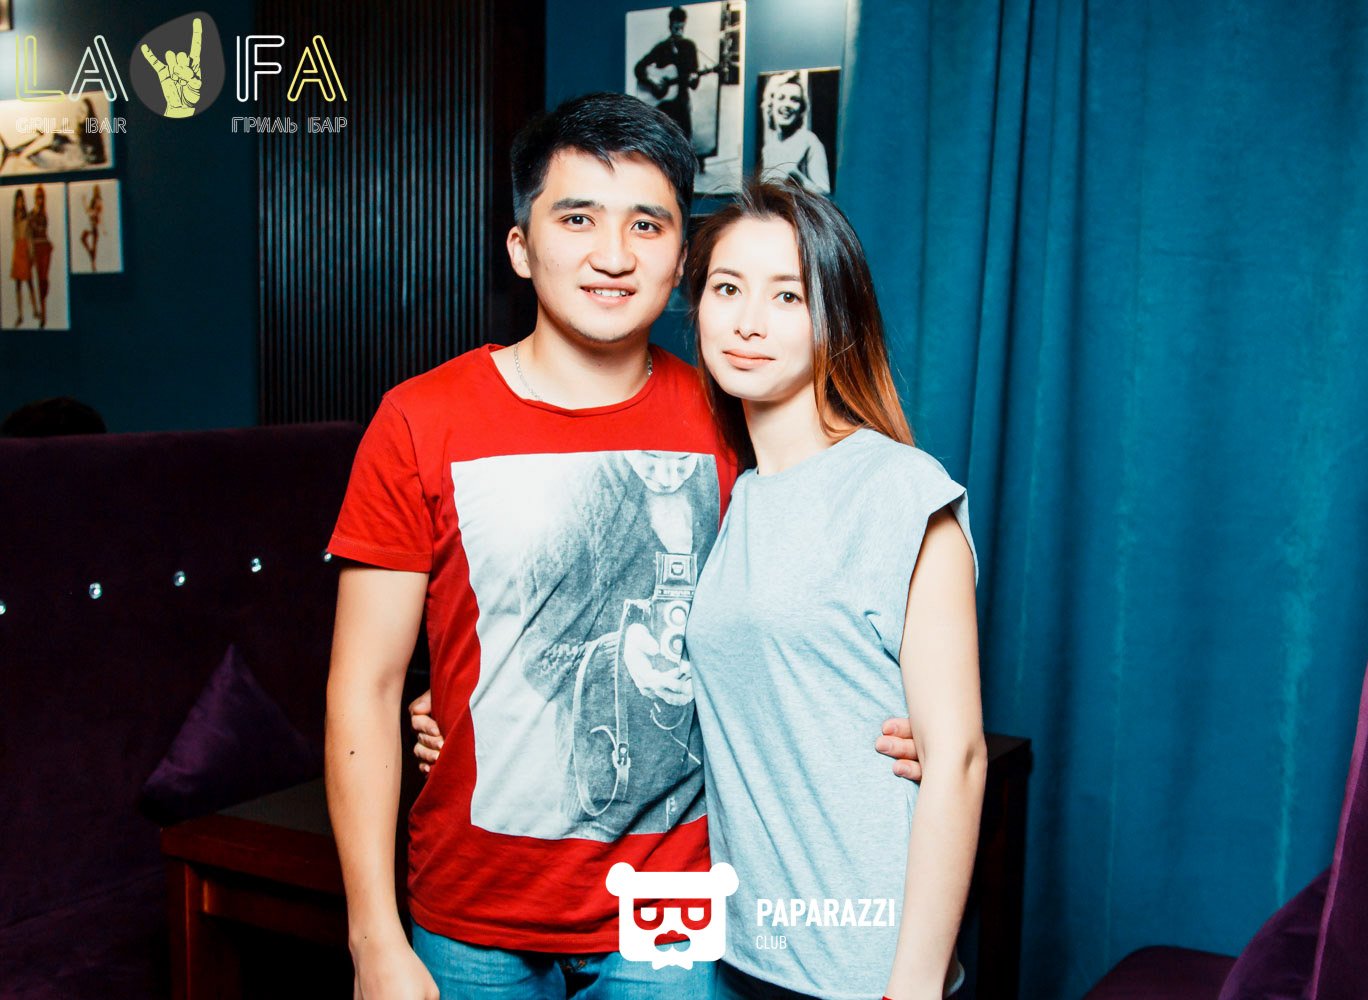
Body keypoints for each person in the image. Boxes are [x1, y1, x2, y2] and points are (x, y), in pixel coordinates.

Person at [325, 93, 919, 1000]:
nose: (613, 255)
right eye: (577, 219)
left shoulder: (738, 414)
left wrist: (899, 720)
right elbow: (363, 687)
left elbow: (826, 596)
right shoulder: (420, 419)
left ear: (681, 259)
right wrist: (373, 938)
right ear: (520, 246)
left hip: (675, 905)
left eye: (647, 224)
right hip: (468, 904)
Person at [414, 179, 986, 1000]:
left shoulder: (897, 488)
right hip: (741, 950)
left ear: (837, 316)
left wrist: (914, 986)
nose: (749, 322)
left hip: (863, 960)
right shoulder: (727, 492)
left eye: (788, 296)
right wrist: (463, 702)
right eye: (727, 289)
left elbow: (957, 758)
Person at [633, 7, 704, 146]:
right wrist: (653, 81)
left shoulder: (689, 47)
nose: (678, 30)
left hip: (682, 103)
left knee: (684, 142)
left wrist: (694, 79)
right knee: (662, 144)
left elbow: (694, 82)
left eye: (681, 26)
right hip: (663, 106)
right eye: (675, 26)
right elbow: (639, 68)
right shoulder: (661, 48)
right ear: (670, 25)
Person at [758, 72, 831, 195]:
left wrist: (798, 177)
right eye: (781, 98)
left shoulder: (810, 142)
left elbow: (825, 194)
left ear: (801, 108)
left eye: (794, 100)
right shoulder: (768, 146)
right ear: (772, 104)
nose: (787, 105)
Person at [10, 189, 35, 327]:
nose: (20, 203)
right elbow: (14, 235)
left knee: (29, 281)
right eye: (17, 200)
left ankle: (35, 309)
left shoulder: (27, 217)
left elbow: (29, 236)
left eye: (21, 200)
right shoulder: (15, 216)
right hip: (17, 248)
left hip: (25, 248)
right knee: (18, 284)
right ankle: (20, 314)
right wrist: (17, 221)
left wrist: (31, 253)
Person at [28, 185, 52, 328]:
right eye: (38, 197)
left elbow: (43, 230)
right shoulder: (32, 214)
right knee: (38, 279)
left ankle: (44, 312)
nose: (40, 200)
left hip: (45, 246)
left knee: (44, 280)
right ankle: (42, 313)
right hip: (37, 247)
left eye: (41, 197)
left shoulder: (44, 214)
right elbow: (32, 233)